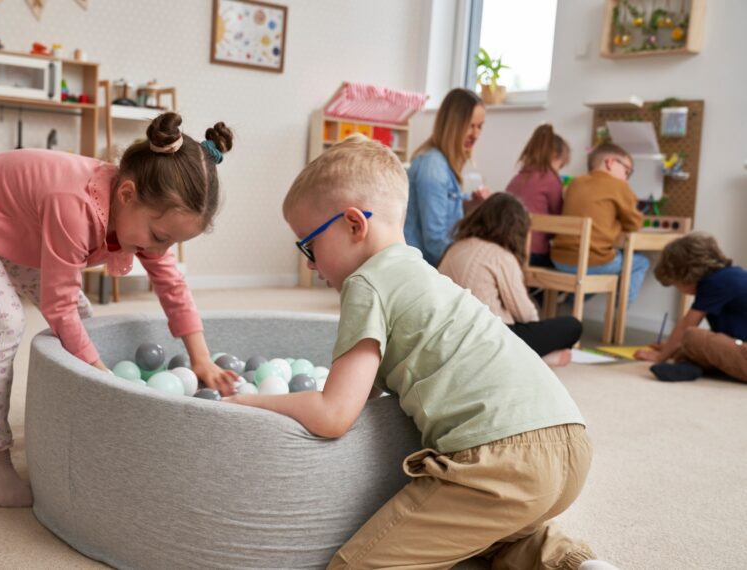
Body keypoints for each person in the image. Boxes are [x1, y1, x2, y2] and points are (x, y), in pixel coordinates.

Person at [229, 136, 620, 570]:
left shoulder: (367, 283)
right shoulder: (423, 275)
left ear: (355, 225)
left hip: (502, 457)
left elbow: (334, 414)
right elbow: (373, 398)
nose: (309, 263)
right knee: (498, 534)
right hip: (568, 441)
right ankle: (571, 563)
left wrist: (251, 402)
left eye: (309, 245)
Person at [0, 112, 239, 508]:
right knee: (5, 321)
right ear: (126, 195)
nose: (158, 251)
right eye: (158, 237)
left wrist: (201, 358)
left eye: (170, 242)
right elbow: (58, 304)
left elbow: (172, 285)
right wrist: (104, 378)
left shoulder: (146, 213)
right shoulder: (72, 204)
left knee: (84, 326)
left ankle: (68, 417)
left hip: (18, 229)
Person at [439, 193, 582, 366]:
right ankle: (538, 359)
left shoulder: (455, 248)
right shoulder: (501, 256)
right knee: (572, 326)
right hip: (489, 339)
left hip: (451, 337)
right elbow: (525, 314)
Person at [635, 233, 747, 382]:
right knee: (697, 343)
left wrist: (660, 357)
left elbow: (686, 325)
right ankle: (689, 367)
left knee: (692, 336)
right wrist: (669, 346)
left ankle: (690, 365)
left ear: (687, 274)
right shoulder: (729, 276)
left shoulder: (716, 282)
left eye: (676, 284)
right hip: (741, 347)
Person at [550, 142, 647, 306]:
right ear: (610, 162)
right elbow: (634, 224)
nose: (626, 178)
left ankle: (571, 301)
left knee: (601, 264)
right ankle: (621, 311)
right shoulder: (619, 186)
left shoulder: (574, 183)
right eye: (626, 171)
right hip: (592, 263)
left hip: (560, 259)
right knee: (640, 262)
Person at [404, 88, 491, 267]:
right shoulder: (433, 167)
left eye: (479, 126)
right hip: (423, 266)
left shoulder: (444, 165)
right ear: (453, 125)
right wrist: (472, 260)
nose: (475, 134)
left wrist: (469, 204)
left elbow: (444, 211)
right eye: (469, 126)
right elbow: (434, 242)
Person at [506, 123, 571, 267]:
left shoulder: (517, 178)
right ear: (554, 156)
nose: (559, 171)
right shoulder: (551, 180)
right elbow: (558, 223)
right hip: (534, 255)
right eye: (560, 165)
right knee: (566, 265)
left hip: (509, 250)